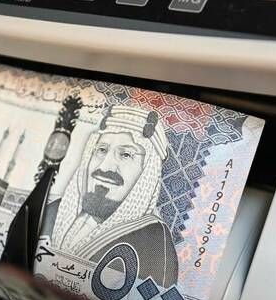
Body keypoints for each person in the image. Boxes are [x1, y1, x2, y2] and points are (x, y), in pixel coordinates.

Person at [41, 105, 179, 288]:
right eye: (101, 150)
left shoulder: (154, 242)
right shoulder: (53, 211)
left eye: (126, 154)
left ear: (147, 172)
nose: (104, 166)